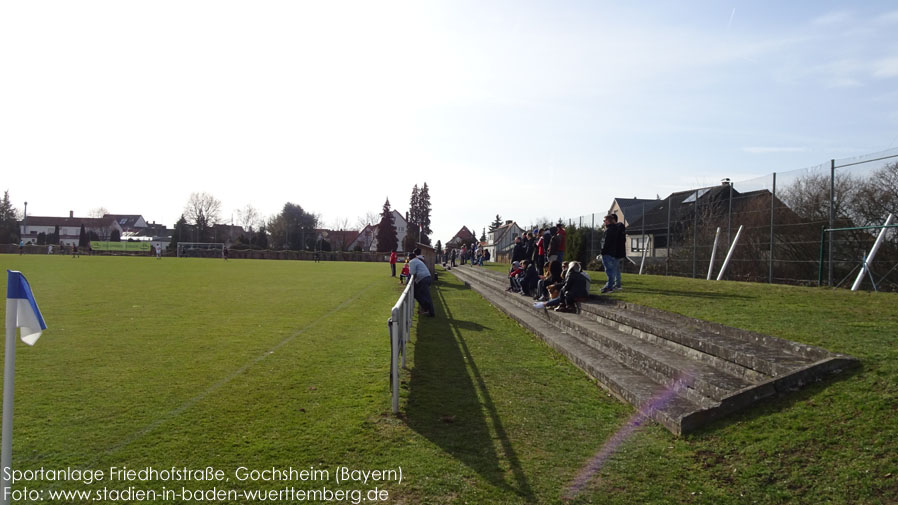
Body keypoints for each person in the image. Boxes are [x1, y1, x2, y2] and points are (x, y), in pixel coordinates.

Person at [599, 214, 623, 293]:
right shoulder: (615, 229)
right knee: (612, 271)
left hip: (607, 253)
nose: (604, 222)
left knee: (609, 271)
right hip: (612, 253)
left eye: (604, 221)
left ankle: (609, 287)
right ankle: (610, 285)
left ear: (608, 221)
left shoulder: (609, 230)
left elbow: (606, 242)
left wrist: (602, 252)